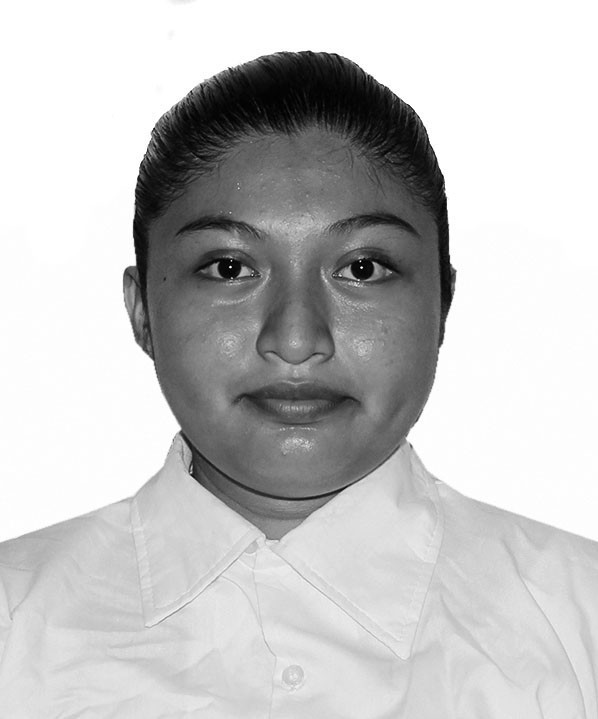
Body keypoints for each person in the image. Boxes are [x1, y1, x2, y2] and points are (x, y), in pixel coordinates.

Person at [0, 50, 596, 718]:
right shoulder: (16, 625)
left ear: (442, 303)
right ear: (143, 310)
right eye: (229, 268)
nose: (294, 338)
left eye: (362, 268)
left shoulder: (580, 625)